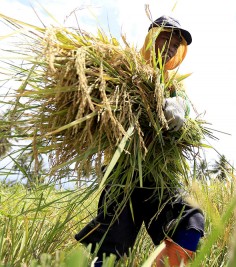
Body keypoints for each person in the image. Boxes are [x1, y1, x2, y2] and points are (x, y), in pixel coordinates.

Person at [74, 16, 205, 267]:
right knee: (112, 248)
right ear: (151, 38)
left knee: (190, 221)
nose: (171, 46)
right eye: (167, 38)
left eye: (177, 44)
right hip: (122, 175)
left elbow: (186, 111)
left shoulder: (175, 86)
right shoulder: (122, 68)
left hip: (160, 176)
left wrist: (180, 108)